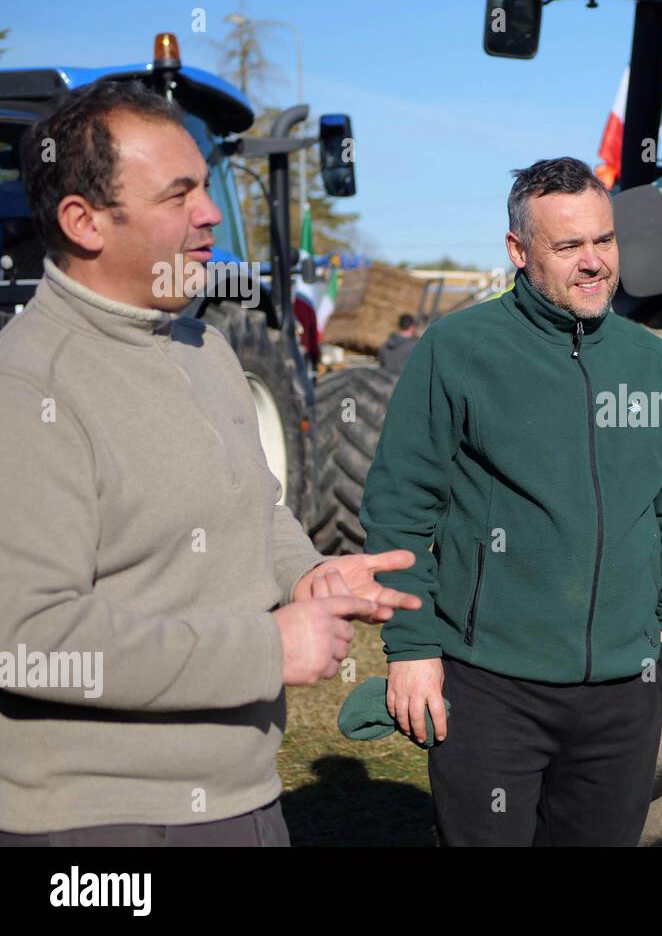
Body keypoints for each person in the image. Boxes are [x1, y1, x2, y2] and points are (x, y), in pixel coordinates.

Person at [0, 79, 420, 846]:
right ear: (83, 221)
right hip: (104, 826)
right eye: (179, 194)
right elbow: (28, 639)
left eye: (206, 184)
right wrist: (268, 648)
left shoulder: (206, 348)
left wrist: (306, 573)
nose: (212, 213)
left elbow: (259, 508)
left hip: (243, 801)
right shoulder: (26, 387)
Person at [362, 156, 662, 846]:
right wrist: (411, 650)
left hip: (626, 689)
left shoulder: (648, 361)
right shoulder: (457, 350)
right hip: (491, 687)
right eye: (569, 245)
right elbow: (400, 506)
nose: (594, 262)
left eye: (604, 241)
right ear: (519, 252)